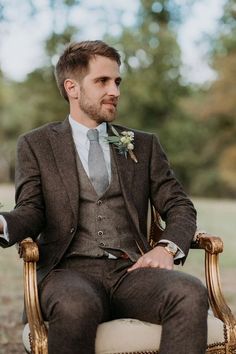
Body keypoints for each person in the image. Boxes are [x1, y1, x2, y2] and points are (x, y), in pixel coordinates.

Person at [0, 40, 208, 354]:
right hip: (67, 273)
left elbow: (178, 204)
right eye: (102, 81)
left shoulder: (143, 144)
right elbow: (31, 209)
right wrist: (3, 223)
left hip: (132, 273)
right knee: (75, 305)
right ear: (72, 87)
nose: (115, 90)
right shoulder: (36, 144)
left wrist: (167, 247)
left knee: (190, 292)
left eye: (117, 81)